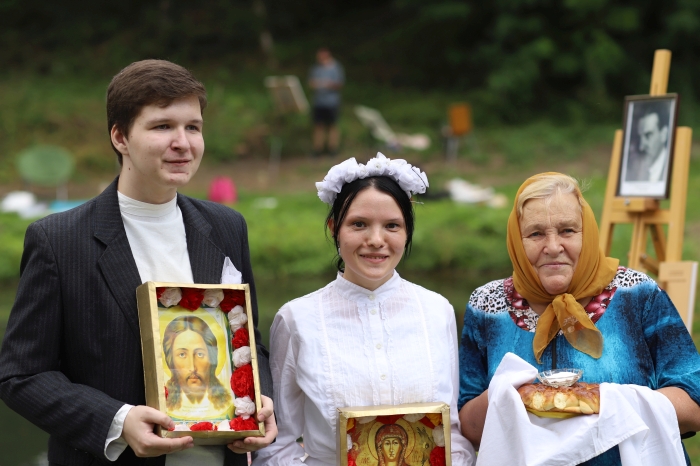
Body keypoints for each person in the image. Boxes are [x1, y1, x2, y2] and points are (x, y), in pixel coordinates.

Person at [0, 59, 277, 466]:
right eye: (162, 126)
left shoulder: (226, 226)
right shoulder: (58, 240)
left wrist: (260, 399)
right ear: (120, 137)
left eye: (193, 127)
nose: (183, 142)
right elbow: (20, 375)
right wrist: (117, 420)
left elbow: (249, 340)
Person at [458, 172, 700, 464]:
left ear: (587, 232)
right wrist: (512, 398)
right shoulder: (486, 306)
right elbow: (468, 429)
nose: (553, 247)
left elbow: (694, 404)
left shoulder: (638, 294)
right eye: (535, 233)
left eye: (567, 230)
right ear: (516, 240)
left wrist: (602, 400)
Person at [253, 153, 475, 465]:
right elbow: (277, 442)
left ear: (407, 231)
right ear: (334, 227)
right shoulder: (297, 319)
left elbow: (452, 433)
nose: (375, 240)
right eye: (359, 224)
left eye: (392, 226)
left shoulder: (436, 311)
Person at [163, 316, 232, 420]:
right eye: (182, 354)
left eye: (200, 354)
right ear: (170, 360)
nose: (192, 367)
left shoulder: (228, 405)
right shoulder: (164, 405)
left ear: (212, 357)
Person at [308, 47, 344, 157]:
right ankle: (317, 150)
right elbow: (311, 83)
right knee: (318, 126)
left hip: (332, 102)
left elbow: (339, 84)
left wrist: (327, 84)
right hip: (318, 102)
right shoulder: (316, 68)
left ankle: (332, 149)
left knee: (333, 125)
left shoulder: (335, 67)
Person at [625, 102, 670, 182]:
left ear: (664, 134)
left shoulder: (674, 168)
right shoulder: (636, 168)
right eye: (640, 137)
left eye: (648, 135)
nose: (641, 147)